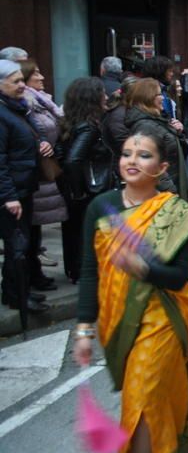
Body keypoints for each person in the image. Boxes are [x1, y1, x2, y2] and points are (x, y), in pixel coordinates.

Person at [72, 126, 188, 453]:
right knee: (150, 396)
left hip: (165, 316)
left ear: (161, 167)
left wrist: (143, 268)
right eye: (126, 154)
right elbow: (91, 272)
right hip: (118, 320)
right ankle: (173, 441)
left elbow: (178, 278)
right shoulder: (101, 207)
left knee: (142, 395)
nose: (131, 161)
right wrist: (84, 329)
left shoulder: (176, 213)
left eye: (143, 156)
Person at [0, 60, 50, 313]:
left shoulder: (17, 108)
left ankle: (20, 290)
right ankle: (15, 295)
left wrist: (41, 141)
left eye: (22, 80)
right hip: (12, 193)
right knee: (16, 246)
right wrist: (8, 196)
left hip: (24, 187)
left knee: (22, 244)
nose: (23, 85)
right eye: (16, 81)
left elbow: (31, 133)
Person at [60, 77, 115, 283]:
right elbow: (73, 160)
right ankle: (85, 273)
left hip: (80, 188)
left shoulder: (71, 122)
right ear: (92, 98)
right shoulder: (89, 127)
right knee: (87, 232)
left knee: (76, 231)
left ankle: (77, 270)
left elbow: (62, 153)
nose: (107, 97)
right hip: (90, 188)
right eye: (102, 93)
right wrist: (80, 190)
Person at [20, 59, 67, 289]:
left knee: (34, 229)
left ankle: (33, 273)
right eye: (36, 73)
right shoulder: (26, 103)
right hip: (33, 172)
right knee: (28, 229)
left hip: (44, 171)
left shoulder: (43, 100)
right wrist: (40, 142)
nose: (42, 77)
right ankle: (29, 277)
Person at [124, 78, 188, 203]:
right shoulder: (145, 126)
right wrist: (171, 192)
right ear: (148, 97)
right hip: (162, 195)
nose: (163, 98)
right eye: (159, 94)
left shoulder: (156, 121)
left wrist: (176, 133)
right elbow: (149, 165)